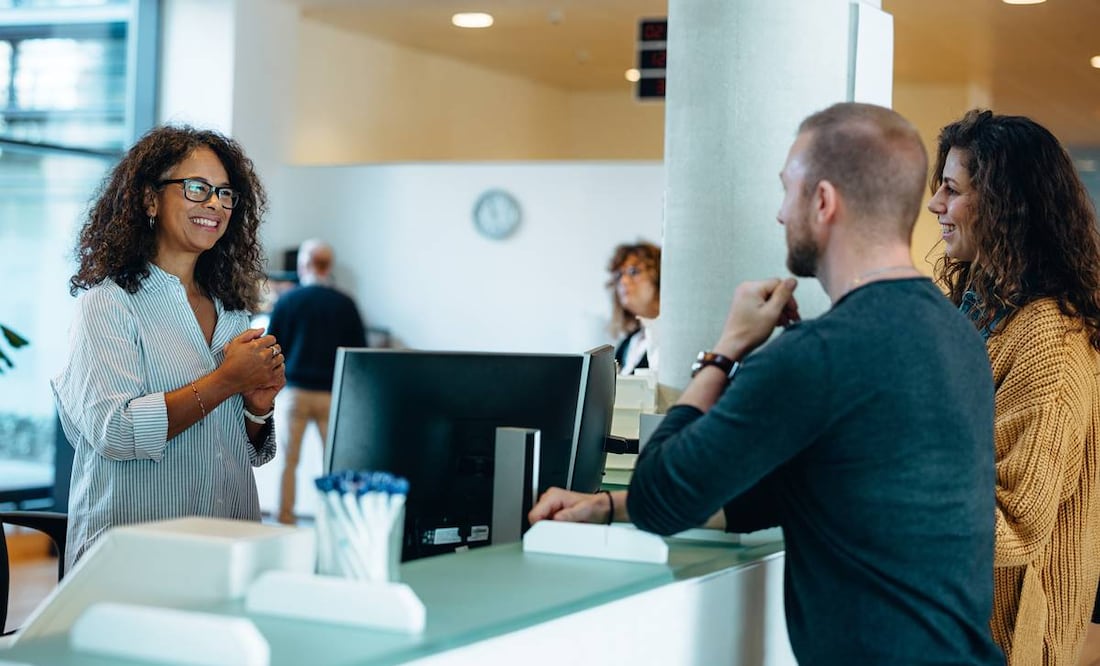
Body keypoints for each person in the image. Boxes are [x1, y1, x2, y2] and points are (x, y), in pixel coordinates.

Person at [529, 103, 1004, 665]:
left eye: (788, 190)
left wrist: (725, 350)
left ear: (823, 202)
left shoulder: (818, 355)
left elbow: (661, 495)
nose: (781, 213)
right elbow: (770, 497)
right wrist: (606, 507)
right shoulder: (956, 334)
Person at [52, 125, 285, 571]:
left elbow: (237, 449)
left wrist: (256, 409)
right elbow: (115, 431)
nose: (215, 204)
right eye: (197, 188)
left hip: (229, 548)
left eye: (225, 194)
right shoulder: (108, 303)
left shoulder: (231, 311)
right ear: (150, 199)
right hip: (134, 558)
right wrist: (225, 380)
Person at [928, 109, 1100, 665]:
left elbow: (1013, 525)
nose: (935, 205)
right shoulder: (985, 311)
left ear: (1004, 204)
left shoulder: (1046, 334)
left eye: (951, 190)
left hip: (1008, 640)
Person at [266, 239, 366, 524]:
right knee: (332, 462)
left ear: (302, 265)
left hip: (295, 393)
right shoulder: (346, 304)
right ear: (329, 266)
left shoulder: (288, 301)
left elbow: (274, 347)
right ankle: (333, 518)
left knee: (288, 461)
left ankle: (285, 518)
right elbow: (357, 353)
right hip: (331, 396)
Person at [606, 241, 661, 375]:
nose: (623, 281)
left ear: (659, 276)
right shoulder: (627, 344)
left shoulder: (671, 340)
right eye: (619, 275)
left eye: (633, 271)